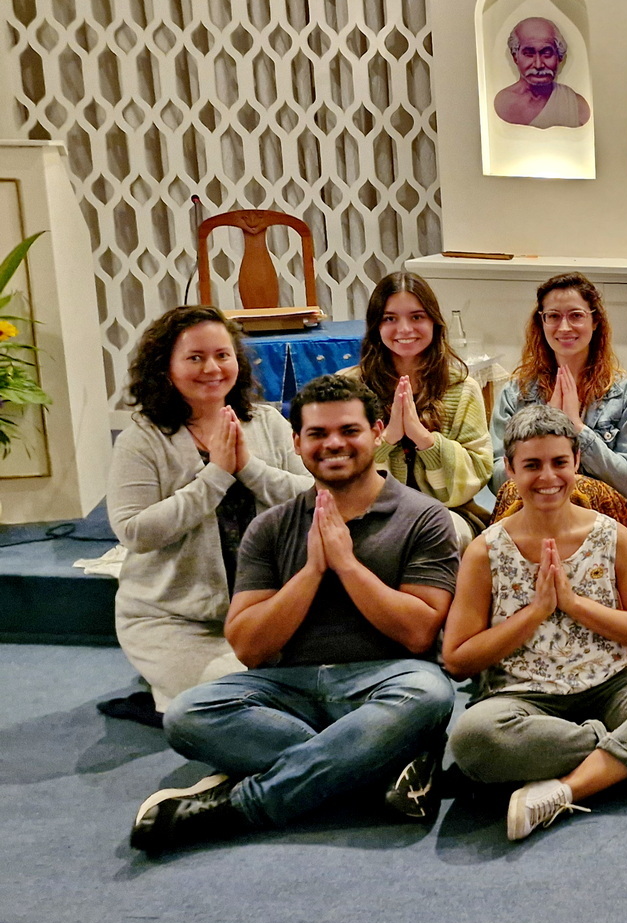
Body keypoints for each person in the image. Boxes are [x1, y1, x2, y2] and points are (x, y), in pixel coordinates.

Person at [129, 374, 461, 855]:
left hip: (387, 680)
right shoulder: (271, 526)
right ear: (296, 442)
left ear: (377, 432)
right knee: (185, 715)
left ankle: (242, 806)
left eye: (349, 430)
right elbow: (248, 645)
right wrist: (310, 572)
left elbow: (417, 633)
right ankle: (378, 761)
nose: (333, 444)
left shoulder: (424, 517)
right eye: (318, 434)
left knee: (429, 695)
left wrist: (346, 565)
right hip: (287, 687)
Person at [443, 406, 627, 841]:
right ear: (509, 470)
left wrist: (575, 605)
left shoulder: (612, 535)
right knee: (473, 740)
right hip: (525, 702)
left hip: (613, 688)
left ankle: (569, 787)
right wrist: (536, 612)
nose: (548, 477)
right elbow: (458, 660)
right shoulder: (485, 551)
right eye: (532, 465)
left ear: (577, 462)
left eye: (560, 462)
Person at [105, 306, 311, 725]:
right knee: (246, 698)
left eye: (222, 355)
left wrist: (249, 469)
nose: (212, 368)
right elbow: (135, 531)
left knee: (325, 684)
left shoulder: (267, 421)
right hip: (176, 619)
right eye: (195, 358)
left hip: (268, 609)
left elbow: (315, 499)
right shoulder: (142, 439)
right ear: (166, 368)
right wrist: (215, 476)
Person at [489, 272, 627, 543]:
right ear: (541, 322)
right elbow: (499, 481)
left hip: (615, 514)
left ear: (595, 321)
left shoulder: (626, 392)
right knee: (521, 495)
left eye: (576, 316)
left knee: (575, 489)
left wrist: (577, 430)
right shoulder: (515, 392)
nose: (564, 327)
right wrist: (545, 429)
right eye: (553, 316)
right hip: (532, 504)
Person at [347, 271, 491, 543]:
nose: (404, 330)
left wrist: (423, 439)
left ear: (434, 322)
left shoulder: (462, 387)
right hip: (365, 510)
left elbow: (479, 469)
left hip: (448, 510)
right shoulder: (351, 387)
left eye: (417, 317)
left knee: (441, 533)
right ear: (376, 325)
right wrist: (388, 438)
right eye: (390, 318)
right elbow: (341, 467)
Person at [493, 17, 590, 129]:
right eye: (529, 54)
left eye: (547, 54)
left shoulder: (575, 105)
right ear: (516, 57)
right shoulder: (504, 103)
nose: (538, 65)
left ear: (559, 56)